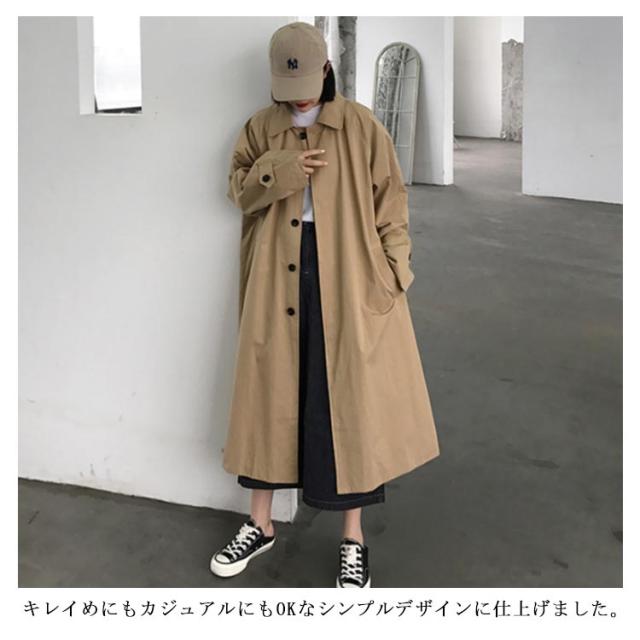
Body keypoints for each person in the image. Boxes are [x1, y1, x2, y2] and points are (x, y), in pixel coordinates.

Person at [210, 21, 439, 588]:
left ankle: (352, 539)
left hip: (351, 274)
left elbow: (392, 201)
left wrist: (394, 271)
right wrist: (282, 170)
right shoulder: (260, 128)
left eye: (308, 85)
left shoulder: (360, 126)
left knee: (349, 401)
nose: (299, 99)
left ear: (327, 72)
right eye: (288, 88)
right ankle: (260, 524)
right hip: (276, 274)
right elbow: (239, 192)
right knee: (269, 394)